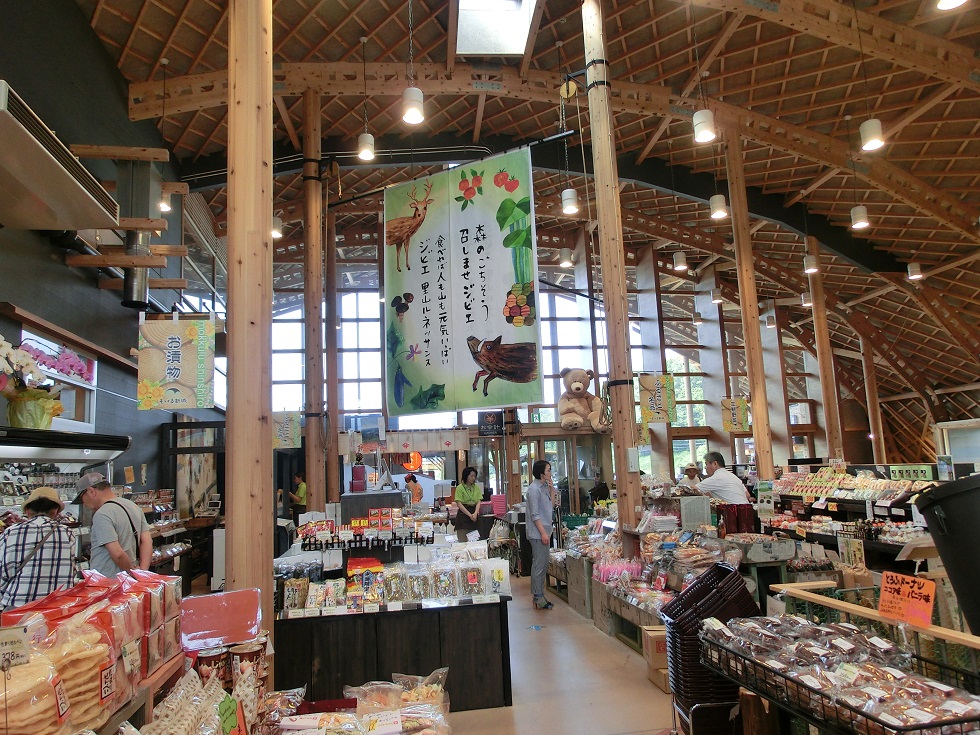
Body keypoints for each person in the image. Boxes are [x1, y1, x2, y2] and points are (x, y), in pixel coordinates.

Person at [0, 486, 77, 611]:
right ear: (55, 511)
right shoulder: (66, 532)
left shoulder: (11, 532)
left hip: (19, 604)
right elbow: (71, 571)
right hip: (55, 607)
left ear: (28, 511)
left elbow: (4, 571)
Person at [74, 472, 152, 577]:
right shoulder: (133, 506)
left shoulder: (102, 514)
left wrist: (131, 571)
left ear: (91, 491)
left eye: (82, 498)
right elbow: (147, 541)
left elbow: (118, 554)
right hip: (131, 579)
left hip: (108, 581)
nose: (84, 503)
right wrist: (142, 572)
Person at [526, 459, 556, 610]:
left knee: (544, 564)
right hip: (538, 533)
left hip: (545, 531)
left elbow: (550, 508)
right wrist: (543, 533)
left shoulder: (544, 487)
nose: (550, 473)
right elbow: (535, 515)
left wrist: (552, 490)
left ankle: (540, 594)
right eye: (548, 470)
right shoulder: (533, 489)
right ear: (541, 473)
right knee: (539, 564)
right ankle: (537, 596)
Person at [453, 466, 482, 541]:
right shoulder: (460, 488)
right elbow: (459, 503)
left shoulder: (476, 487)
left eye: (474, 476)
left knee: (474, 542)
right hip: (463, 515)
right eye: (471, 476)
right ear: (466, 476)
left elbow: (479, 501)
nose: (473, 478)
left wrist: (475, 513)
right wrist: (470, 515)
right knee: (463, 542)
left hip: (474, 514)